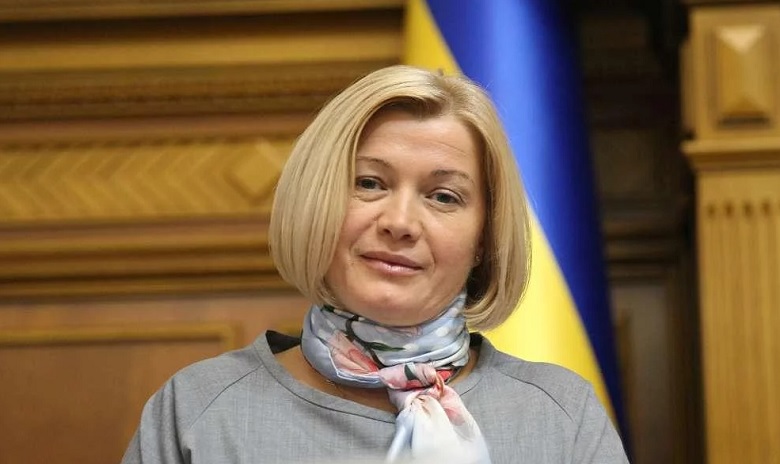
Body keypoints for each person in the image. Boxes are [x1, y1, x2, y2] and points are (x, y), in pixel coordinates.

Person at [121, 65, 628, 464]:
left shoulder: (559, 415)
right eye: (369, 183)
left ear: (484, 238)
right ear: (317, 203)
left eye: (444, 196)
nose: (400, 222)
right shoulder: (197, 409)